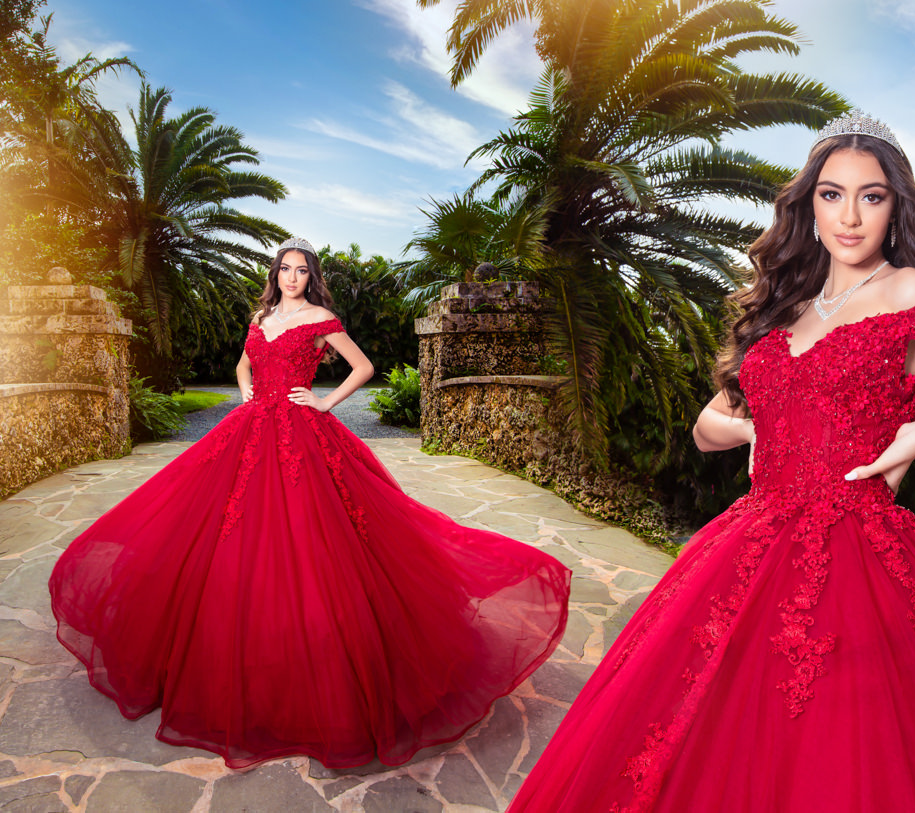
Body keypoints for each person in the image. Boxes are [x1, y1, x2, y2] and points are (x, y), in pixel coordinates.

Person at [505, 112, 915, 812]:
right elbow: (705, 426)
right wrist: (760, 436)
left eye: (872, 195)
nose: (850, 215)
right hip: (752, 540)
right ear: (807, 205)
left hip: (862, 551)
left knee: (856, 745)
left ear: (896, 205)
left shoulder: (912, 294)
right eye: (831, 194)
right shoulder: (785, 310)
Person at [49, 237, 572, 770]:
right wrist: (247, 391)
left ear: (310, 276)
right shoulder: (262, 316)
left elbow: (363, 367)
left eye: (301, 270)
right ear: (274, 274)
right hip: (249, 430)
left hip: (302, 433)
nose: (292, 276)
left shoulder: (321, 317)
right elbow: (242, 365)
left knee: (317, 539)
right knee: (226, 536)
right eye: (285, 269)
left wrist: (323, 402)